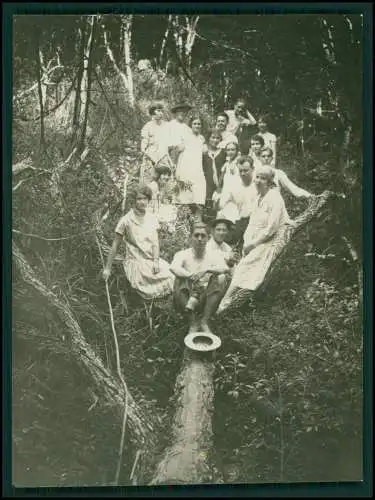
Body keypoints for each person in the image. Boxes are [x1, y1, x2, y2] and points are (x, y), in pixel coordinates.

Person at [217, 166, 292, 314]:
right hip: (257, 239)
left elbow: (271, 228)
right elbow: (252, 223)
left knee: (246, 265)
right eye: (257, 177)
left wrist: (253, 244)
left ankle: (225, 302)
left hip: (271, 239)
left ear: (270, 182)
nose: (258, 181)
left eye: (263, 178)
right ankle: (226, 298)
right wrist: (248, 242)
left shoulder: (275, 198)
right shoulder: (258, 197)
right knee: (241, 264)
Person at [103, 185, 174, 300]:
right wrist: (107, 268)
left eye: (145, 199)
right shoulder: (126, 221)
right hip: (136, 262)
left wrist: (156, 261)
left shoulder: (151, 218)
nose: (142, 202)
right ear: (133, 201)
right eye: (139, 199)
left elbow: (155, 243)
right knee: (154, 282)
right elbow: (115, 245)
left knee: (172, 274)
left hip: (151, 260)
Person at [170, 222, 232, 333]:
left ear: (208, 238)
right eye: (196, 235)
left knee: (221, 277)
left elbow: (225, 268)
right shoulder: (183, 254)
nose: (199, 239)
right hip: (186, 298)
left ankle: (204, 321)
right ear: (191, 237)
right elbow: (173, 267)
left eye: (203, 236)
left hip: (206, 298)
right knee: (179, 278)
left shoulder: (214, 254)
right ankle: (193, 322)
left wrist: (207, 270)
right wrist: (190, 275)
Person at [218, 155, 258, 248]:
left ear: (252, 169)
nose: (243, 173)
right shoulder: (234, 185)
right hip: (242, 221)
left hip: (258, 221)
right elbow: (222, 205)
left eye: (246, 170)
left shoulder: (258, 183)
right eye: (240, 171)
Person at [174, 115, 207, 217]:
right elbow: (177, 150)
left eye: (199, 124)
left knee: (198, 197)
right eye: (195, 123)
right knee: (184, 197)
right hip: (185, 169)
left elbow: (204, 152)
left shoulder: (202, 139)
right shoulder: (185, 136)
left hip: (197, 170)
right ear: (191, 125)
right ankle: (182, 221)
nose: (197, 125)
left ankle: (197, 222)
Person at [140, 102, 169, 184]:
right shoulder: (147, 126)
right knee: (149, 185)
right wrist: (152, 159)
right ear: (153, 112)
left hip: (164, 160)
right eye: (158, 110)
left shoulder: (166, 126)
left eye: (162, 111)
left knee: (164, 186)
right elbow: (143, 148)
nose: (161, 113)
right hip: (150, 161)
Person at [213, 141, 242, 223]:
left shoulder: (240, 163)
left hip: (235, 195)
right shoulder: (226, 164)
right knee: (221, 217)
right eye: (228, 150)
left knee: (233, 218)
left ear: (237, 151)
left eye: (233, 150)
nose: (230, 152)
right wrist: (218, 192)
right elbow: (222, 180)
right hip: (225, 193)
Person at [202, 129, 227, 214]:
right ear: (208, 138)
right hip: (207, 184)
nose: (215, 140)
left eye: (218, 138)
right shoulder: (204, 152)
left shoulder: (224, 152)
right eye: (213, 137)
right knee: (207, 210)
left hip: (221, 184)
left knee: (220, 208)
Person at [147, 165, 177, 233]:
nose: (166, 177)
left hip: (153, 212)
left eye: (168, 175)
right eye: (164, 175)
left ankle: (168, 231)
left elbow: (158, 205)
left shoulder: (159, 187)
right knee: (169, 211)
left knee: (172, 209)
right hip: (148, 214)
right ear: (158, 175)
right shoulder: (153, 186)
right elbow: (151, 207)